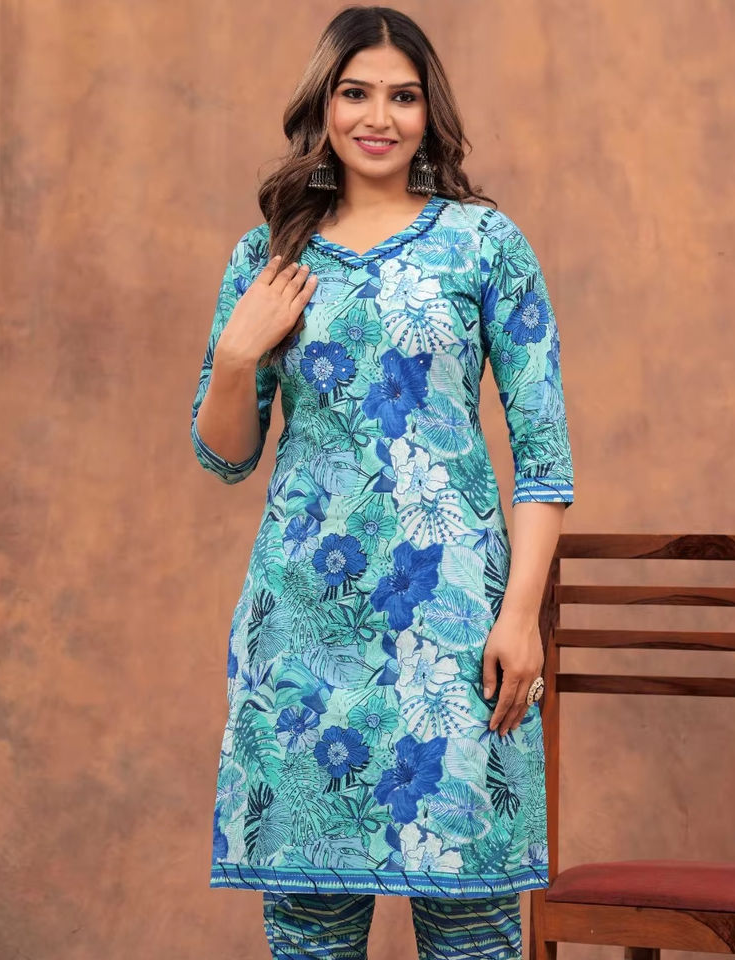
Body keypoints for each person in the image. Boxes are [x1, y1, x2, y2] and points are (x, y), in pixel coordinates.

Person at [189, 6, 575, 958]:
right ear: (322, 106)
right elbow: (226, 455)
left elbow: (544, 455)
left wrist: (521, 616)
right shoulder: (269, 256)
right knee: (310, 936)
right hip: (304, 633)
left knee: (474, 929)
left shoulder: (485, 245)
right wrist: (237, 357)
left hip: (455, 626)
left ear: (428, 112)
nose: (378, 117)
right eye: (355, 93)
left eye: (402, 97)